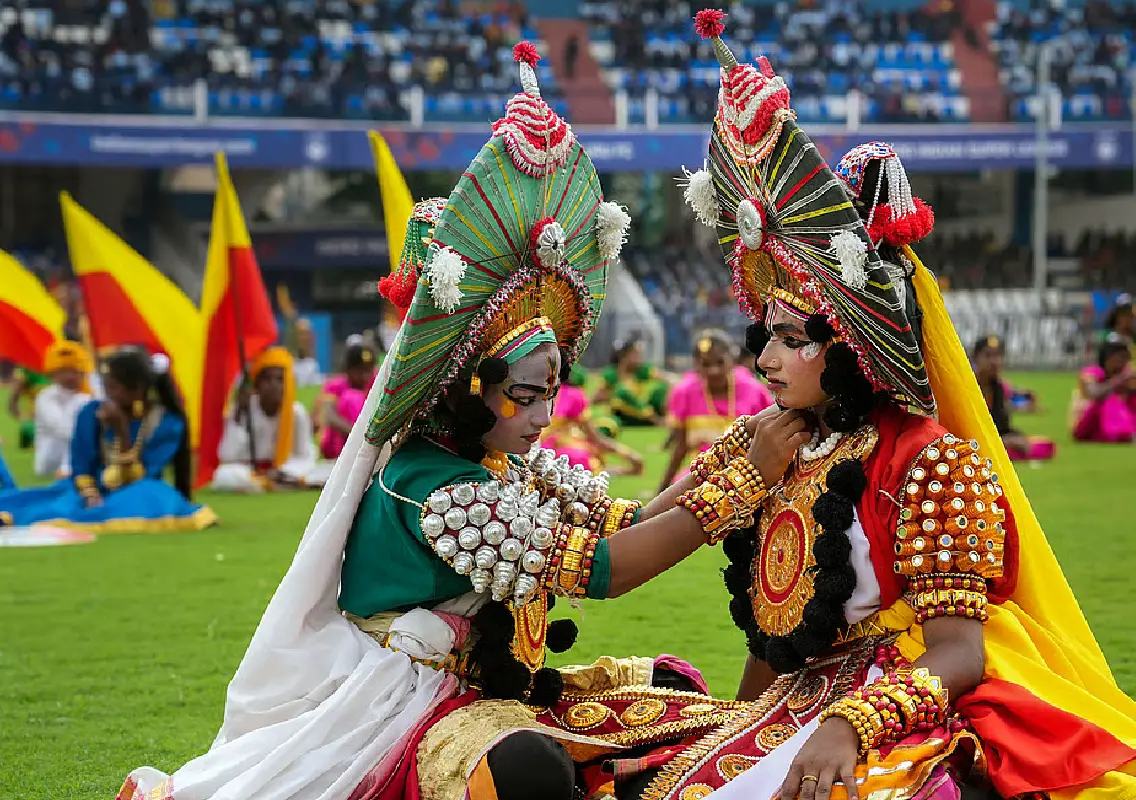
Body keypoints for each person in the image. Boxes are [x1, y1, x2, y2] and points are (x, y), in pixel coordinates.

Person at [115, 43, 774, 800]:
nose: (540, 415)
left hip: (493, 686)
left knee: (674, 701)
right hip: (411, 704)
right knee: (528, 773)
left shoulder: (506, 460)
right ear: (467, 389)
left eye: (549, 391)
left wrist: (733, 451)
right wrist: (743, 483)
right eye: (523, 394)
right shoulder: (437, 488)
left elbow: (621, 517)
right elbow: (606, 569)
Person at [641, 14, 1136, 799]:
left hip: (907, 701)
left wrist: (850, 723)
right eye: (760, 336)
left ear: (851, 343)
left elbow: (959, 652)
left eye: (789, 338)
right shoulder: (773, 440)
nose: (762, 359)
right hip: (804, 700)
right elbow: (769, 627)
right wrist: (740, 726)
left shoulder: (933, 461)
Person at [0, 348, 216, 531]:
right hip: (89, 488)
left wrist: (121, 431)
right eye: (106, 386)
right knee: (54, 506)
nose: (107, 394)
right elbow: (81, 465)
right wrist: (90, 494)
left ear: (137, 390)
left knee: (148, 496)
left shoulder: (166, 423)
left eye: (114, 387)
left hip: (138, 490)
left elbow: (140, 476)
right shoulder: (91, 412)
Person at [659, 329, 773, 489]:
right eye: (706, 364)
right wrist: (662, 491)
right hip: (700, 475)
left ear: (732, 360)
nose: (714, 370)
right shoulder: (685, 392)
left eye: (720, 362)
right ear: (696, 364)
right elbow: (681, 447)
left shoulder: (754, 390)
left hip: (748, 474)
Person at [210, 346, 325, 492]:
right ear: (257, 384)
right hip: (251, 472)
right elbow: (227, 456)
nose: (273, 385)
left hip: (285, 472)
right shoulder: (243, 409)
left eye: (279, 380)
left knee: (324, 471)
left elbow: (305, 457)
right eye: (267, 379)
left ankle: (273, 484)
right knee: (224, 476)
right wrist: (239, 413)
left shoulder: (296, 413)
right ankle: (268, 485)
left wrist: (281, 472)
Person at [541, 365, 645, 475]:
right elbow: (596, 438)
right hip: (554, 450)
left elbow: (596, 437)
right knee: (578, 457)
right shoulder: (571, 394)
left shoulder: (572, 395)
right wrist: (629, 456)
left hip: (548, 448)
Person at [972, 335, 1055, 460]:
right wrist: (1005, 441)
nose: (994, 362)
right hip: (977, 443)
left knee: (1046, 445)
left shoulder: (998, 387)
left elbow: (1003, 426)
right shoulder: (969, 388)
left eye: (998, 356)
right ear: (976, 359)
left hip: (1000, 440)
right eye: (988, 356)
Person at [33, 340, 93, 478]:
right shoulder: (46, 397)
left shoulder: (90, 393)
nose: (69, 376)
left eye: (74, 371)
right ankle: (67, 469)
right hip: (51, 458)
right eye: (63, 372)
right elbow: (64, 430)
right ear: (53, 374)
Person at [317, 341, 379, 461]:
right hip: (339, 446)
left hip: (367, 439)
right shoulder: (335, 386)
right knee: (352, 398)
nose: (365, 376)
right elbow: (329, 416)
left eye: (368, 371)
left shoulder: (375, 383)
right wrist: (359, 436)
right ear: (349, 369)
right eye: (360, 371)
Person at [1070, 332, 1136, 443]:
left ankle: (1124, 434)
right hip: (1085, 424)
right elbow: (1094, 394)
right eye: (1121, 358)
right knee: (1108, 399)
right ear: (1108, 359)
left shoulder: (1125, 374)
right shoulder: (1091, 373)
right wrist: (1119, 381)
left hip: (1103, 429)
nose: (1124, 363)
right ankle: (1124, 434)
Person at [595, 335, 670, 427]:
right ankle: (657, 421)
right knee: (623, 393)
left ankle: (668, 418)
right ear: (624, 356)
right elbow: (596, 399)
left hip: (643, 410)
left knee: (661, 390)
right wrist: (614, 395)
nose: (639, 357)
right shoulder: (611, 374)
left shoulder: (642, 370)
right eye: (635, 354)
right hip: (624, 415)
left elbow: (666, 379)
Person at [7, 366, 49, 449]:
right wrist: (20, 416)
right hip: (36, 420)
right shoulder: (26, 371)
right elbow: (14, 398)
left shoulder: (58, 370)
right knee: (27, 430)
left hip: (61, 420)